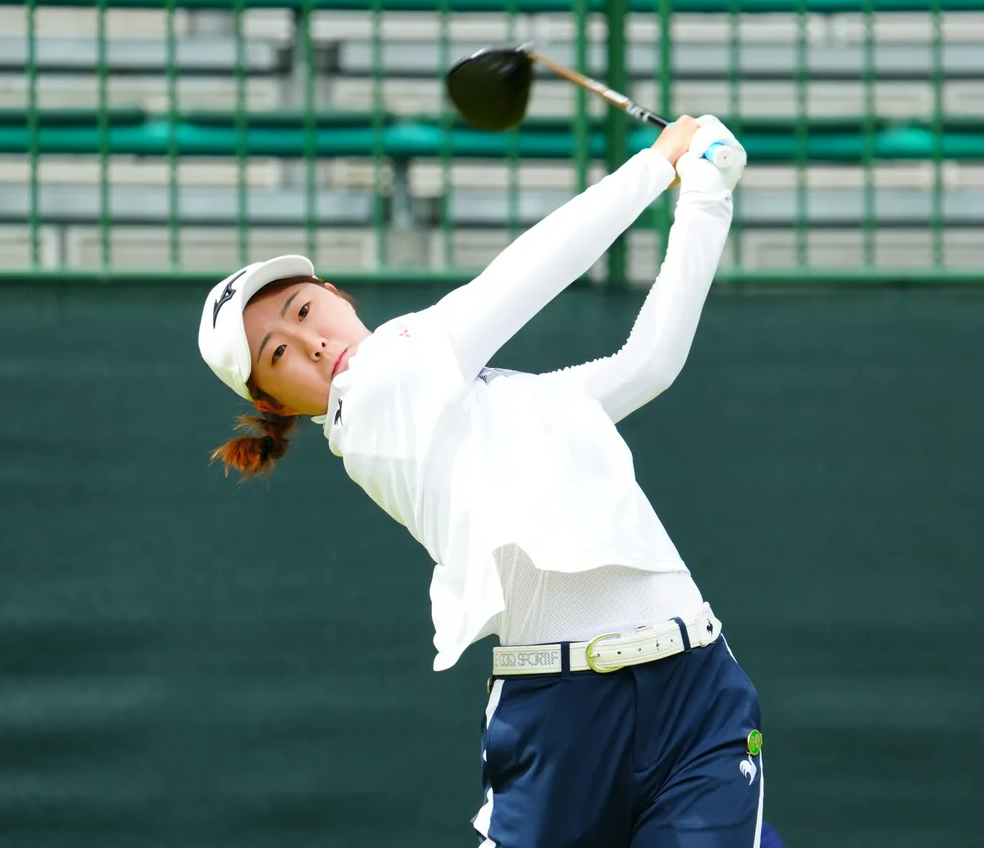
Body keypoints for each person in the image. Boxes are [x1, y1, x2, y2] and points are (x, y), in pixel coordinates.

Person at [197, 114, 769, 847]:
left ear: (335, 294)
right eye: (278, 354)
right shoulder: (378, 391)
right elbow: (524, 276)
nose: (311, 343)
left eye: (305, 310)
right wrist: (658, 164)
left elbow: (647, 365)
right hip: (566, 712)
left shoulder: (491, 397)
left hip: (695, 682)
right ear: (276, 404)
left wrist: (706, 199)